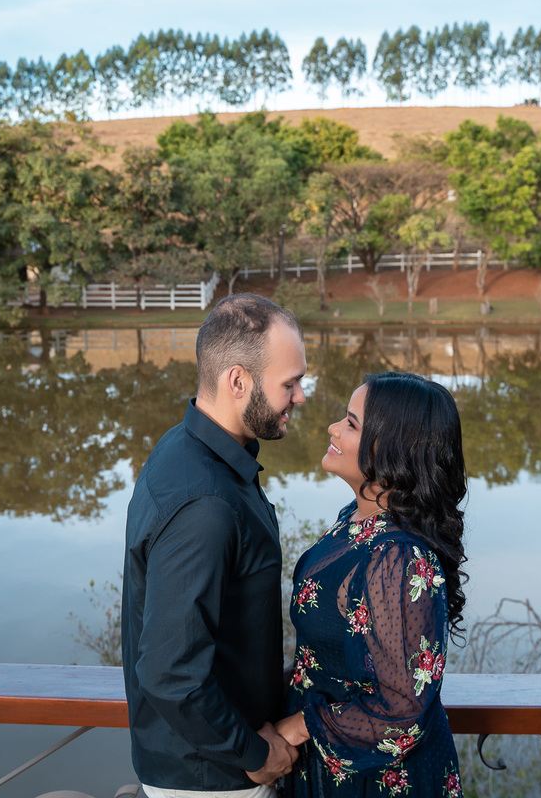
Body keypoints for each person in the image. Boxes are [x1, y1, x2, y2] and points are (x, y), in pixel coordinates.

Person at [122, 294, 308, 797]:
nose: (301, 396)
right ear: (238, 381)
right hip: (212, 780)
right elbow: (169, 673)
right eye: (290, 383)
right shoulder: (204, 503)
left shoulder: (189, 450)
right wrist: (254, 753)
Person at [274, 372, 467, 798]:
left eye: (351, 423)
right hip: (326, 764)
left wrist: (299, 727)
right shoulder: (356, 519)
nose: (333, 428)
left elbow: (402, 710)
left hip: (378, 781)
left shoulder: (397, 558)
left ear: (392, 449)